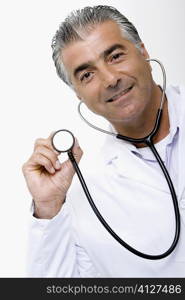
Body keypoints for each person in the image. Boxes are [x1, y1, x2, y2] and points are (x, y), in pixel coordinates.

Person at [22, 5, 185, 277]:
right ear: (78, 94)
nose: (110, 79)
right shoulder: (86, 198)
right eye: (87, 75)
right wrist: (48, 208)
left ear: (143, 52)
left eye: (116, 56)